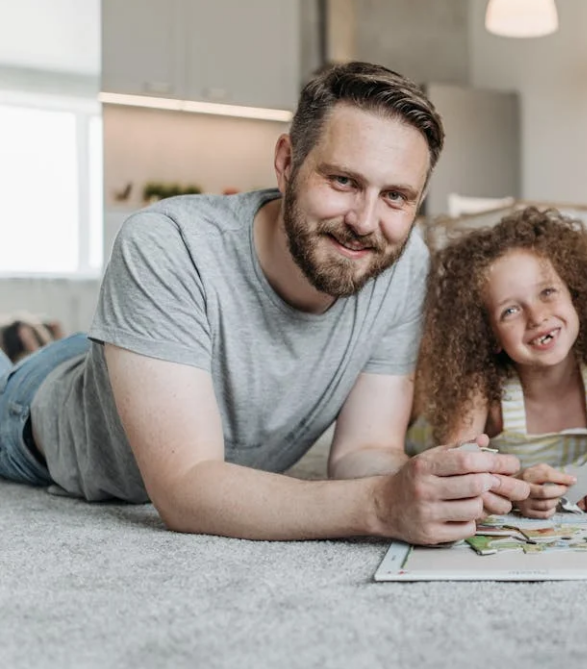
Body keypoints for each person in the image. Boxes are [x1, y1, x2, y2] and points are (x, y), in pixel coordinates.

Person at [0, 61, 529, 544]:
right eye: (344, 181)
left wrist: (456, 485)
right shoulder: (168, 243)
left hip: (152, 354)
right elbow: (186, 487)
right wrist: (376, 506)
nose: (366, 222)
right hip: (37, 411)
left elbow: (362, 451)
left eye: (396, 196)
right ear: (286, 162)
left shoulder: (404, 261)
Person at [408, 207, 587, 518]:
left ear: (576, 294)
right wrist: (516, 489)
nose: (537, 316)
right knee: (413, 421)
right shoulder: (483, 386)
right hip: (428, 434)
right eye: (510, 311)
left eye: (547, 292)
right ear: (487, 335)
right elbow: (458, 469)